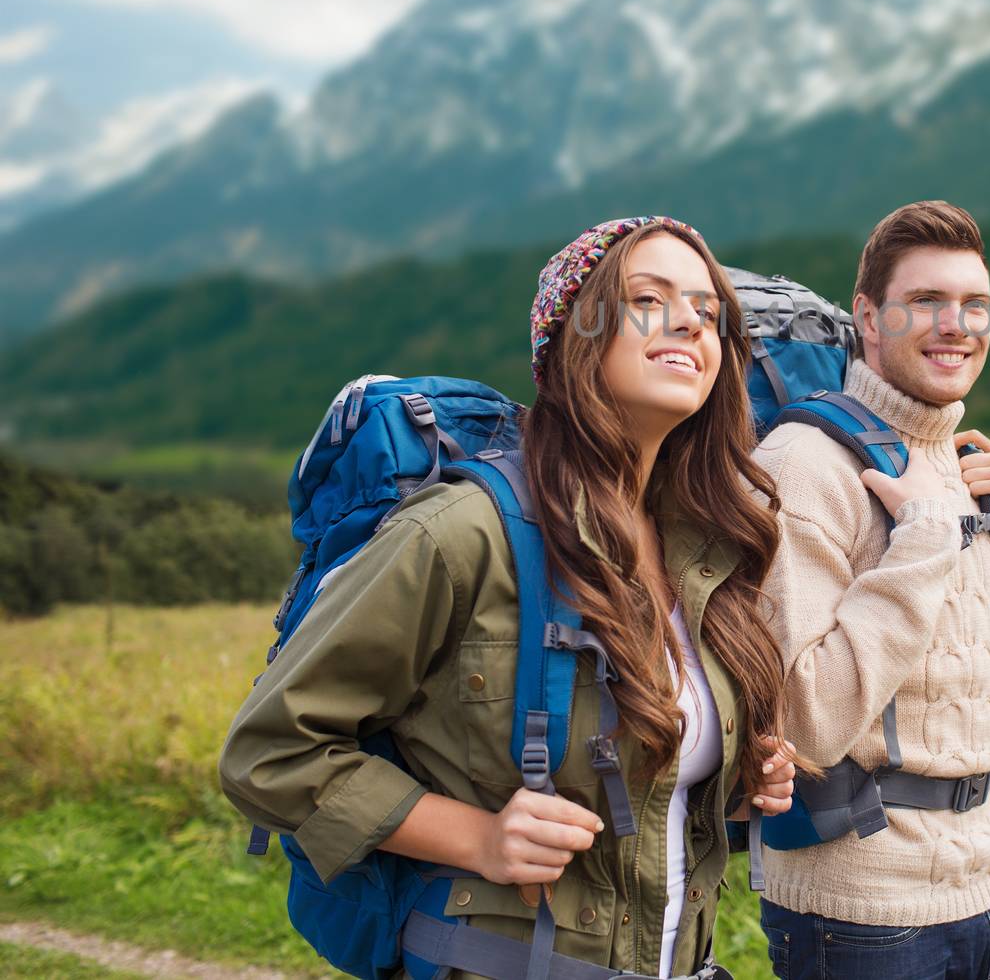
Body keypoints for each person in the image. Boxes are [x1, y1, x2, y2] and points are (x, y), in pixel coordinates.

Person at [220, 215, 797, 979]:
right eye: (649, 298)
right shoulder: (463, 532)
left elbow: (632, 788)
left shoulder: (705, 551)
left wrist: (732, 776)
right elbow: (270, 751)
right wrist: (476, 839)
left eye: (708, 309)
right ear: (572, 337)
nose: (690, 320)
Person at [754, 200, 990, 980]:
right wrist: (925, 544)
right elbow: (803, 721)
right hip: (864, 916)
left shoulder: (965, 465)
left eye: (974, 305)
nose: (957, 325)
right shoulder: (802, 466)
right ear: (869, 317)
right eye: (926, 302)